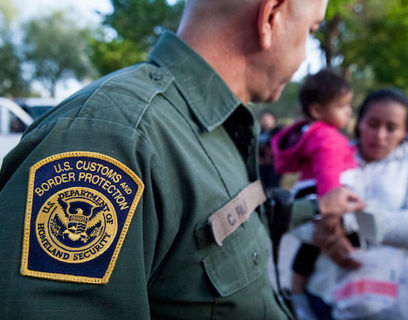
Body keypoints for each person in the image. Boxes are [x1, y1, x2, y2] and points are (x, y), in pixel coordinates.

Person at [0, 1, 366, 319]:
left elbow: (220, 229)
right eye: (311, 30)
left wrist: (316, 207)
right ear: (270, 16)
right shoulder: (114, 137)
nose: (304, 56)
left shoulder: (215, 126)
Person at [309, 88, 408, 319]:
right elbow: (301, 206)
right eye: (373, 124)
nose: (380, 135)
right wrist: (321, 235)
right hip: (328, 286)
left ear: (404, 131)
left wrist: (350, 220)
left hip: (393, 294)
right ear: (359, 122)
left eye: (391, 128)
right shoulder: (329, 155)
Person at [271, 69, 356, 318]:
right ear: (318, 110)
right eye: (342, 105)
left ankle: (297, 295)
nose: (349, 111)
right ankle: (303, 301)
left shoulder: (310, 133)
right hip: (323, 195)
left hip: (307, 192)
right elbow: (328, 173)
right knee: (329, 244)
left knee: (309, 250)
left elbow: (286, 166)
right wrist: (331, 211)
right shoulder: (328, 136)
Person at [258, 110, 282, 194]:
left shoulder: (278, 132)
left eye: (267, 118)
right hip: (261, 165)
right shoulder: (259, 132)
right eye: (263, 119)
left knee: (273, 187)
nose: (265, 121)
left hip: (273, 165)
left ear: (273, 119)